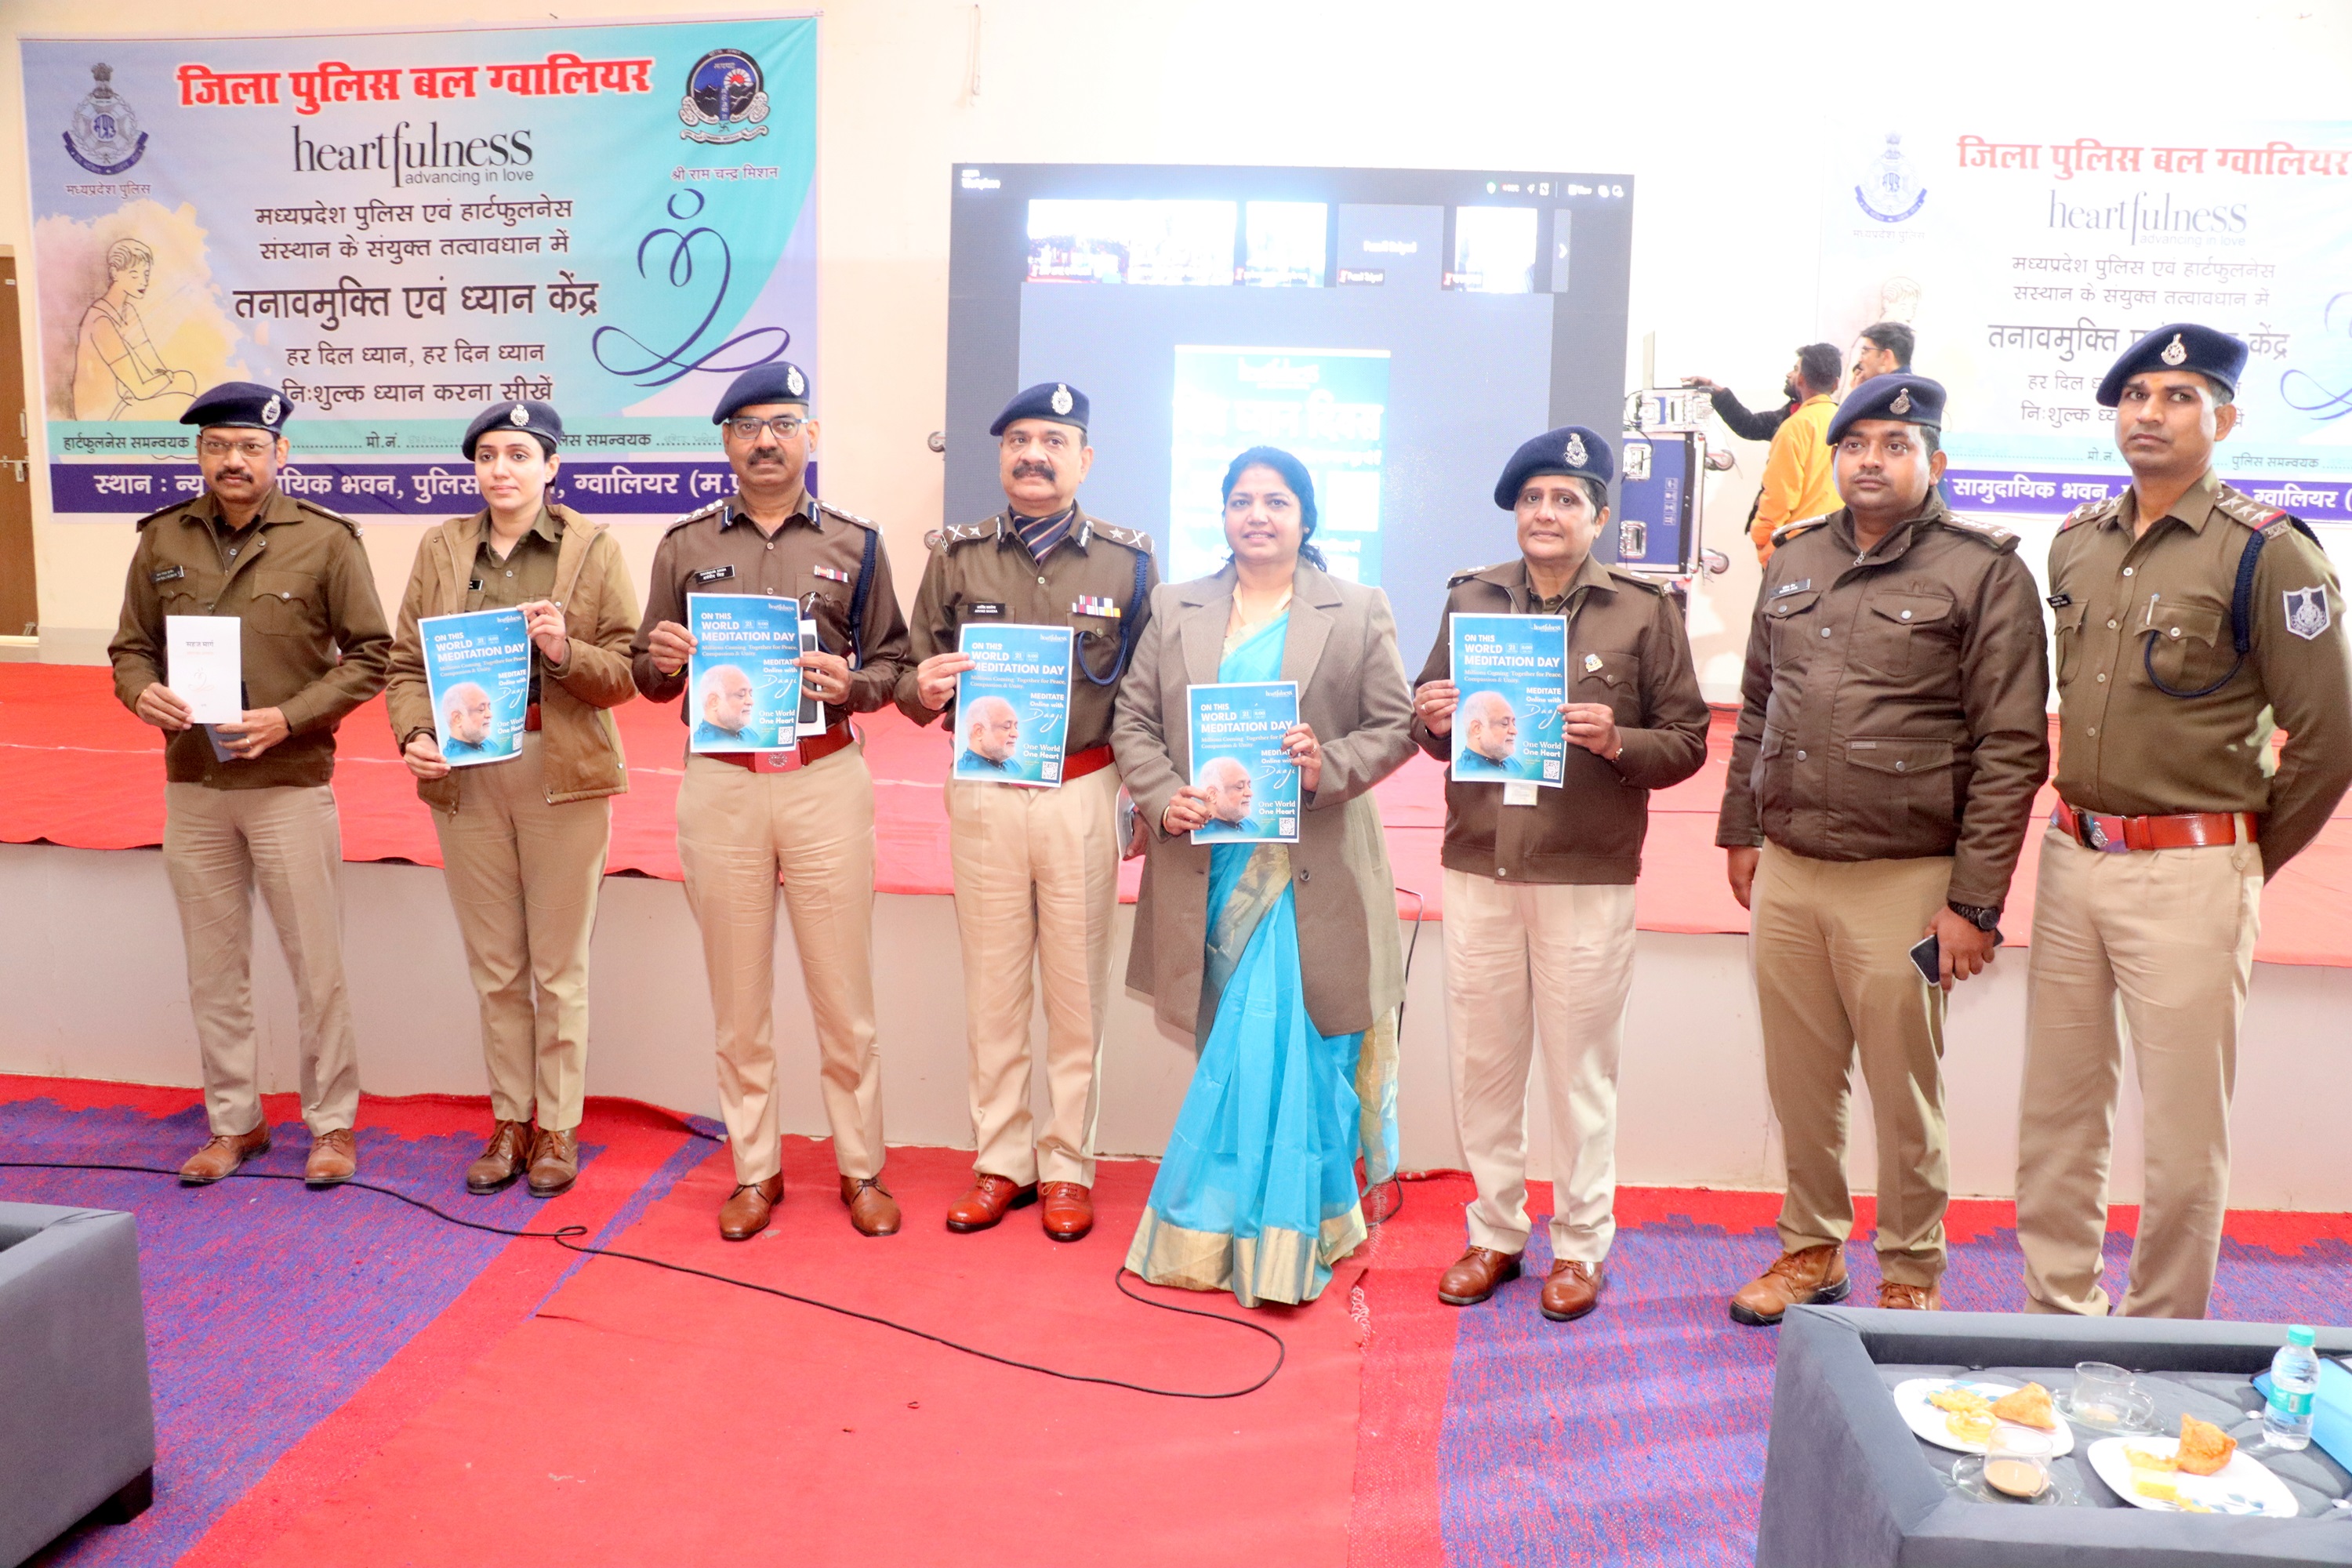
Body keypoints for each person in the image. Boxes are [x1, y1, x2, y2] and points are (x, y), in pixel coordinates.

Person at [2016, 325, 2352, 1319]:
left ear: (2225, 419)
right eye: (2135, 396)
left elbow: (2331, 735)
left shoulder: (2269, 551)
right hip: (2074, 857)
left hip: (2194, 872)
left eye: (2177, 396)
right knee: (2057, 1112)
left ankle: (2160, 1338)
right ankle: (2053, 1315)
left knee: (2180, 1131)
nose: (2150, 414)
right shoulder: (2077, 540)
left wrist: (2239, 857)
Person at [1716, 375, 2049, 1323]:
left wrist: (1974, 901)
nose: (1871, 460)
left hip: (1905, 877)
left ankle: (1910, 1268)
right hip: (1790, 867)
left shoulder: (1983, 571)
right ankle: (1810, 1248)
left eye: (1895, 445)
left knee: (1905, 1090)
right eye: (1856, 443)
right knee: (1800, 1077)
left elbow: (2012, 748)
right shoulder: (1793, 557)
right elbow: (1758, 705)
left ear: (1934, 461)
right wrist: (1740, 826)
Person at [1411, 426, 1709, 1321]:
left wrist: (1619, 740)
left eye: (1567, 500)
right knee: (1485, 1063)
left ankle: (1580, 1245)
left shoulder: (1643, 612)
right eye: (1534, 498)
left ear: (1600, 517)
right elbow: (1431, 727)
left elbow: (1688, 741)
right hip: (1481, 866)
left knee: (1580, 1073)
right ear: (1517, 511)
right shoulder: (1471, 598)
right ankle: (1495, 1232)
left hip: (1584, 874)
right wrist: (1433, 719)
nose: (1547, 512)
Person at [1112, 445, 1415, 1306]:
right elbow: (1134, 719)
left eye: (1276, 501)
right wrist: (1166, 796)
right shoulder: (1176, 606)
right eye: (1241, 500)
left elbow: (1394, 725)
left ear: (1305, 517)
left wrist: (1325, 765)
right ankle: (1216, 1228)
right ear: (1222, 515)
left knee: (1296, 1044)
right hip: (1210, 866)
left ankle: (1296, 1228)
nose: (1257, 515)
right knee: (1235, 1050)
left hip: (1309, 870)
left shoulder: (1356, 608)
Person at [633, 361, 913, 1241]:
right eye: (748, 426)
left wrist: (854, 684)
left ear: (810, 437)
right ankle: (755, 1170)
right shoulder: (682, 545)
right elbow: (646, 671)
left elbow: (894, 661)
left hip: (824, 778)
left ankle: (861, 1166)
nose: (766, 441)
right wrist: (662, 663)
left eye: (784, 424)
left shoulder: (858, 544)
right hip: (722, 785)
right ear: (726, 441)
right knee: (738, 997)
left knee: (844, 996)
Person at [107, 382, 392, 1187]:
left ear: (280, 453)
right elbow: (131, 648)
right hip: (194, 783)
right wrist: (141, 692)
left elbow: (373, 653)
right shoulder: (162, 537)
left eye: (249, 447)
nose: (233, 460)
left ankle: (331, 1124)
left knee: (317, 967)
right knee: (214, 968)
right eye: (217, 446)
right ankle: (234, 1123)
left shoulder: (326, 540)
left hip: (288, 782)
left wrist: (289, 718)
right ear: (200, 453)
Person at [898, 382, 1158, 1242]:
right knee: (994, 987)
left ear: (1085, 458)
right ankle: (1002, 1161)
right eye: (1018, 441)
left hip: (1083, 790)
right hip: (984, 793)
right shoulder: (957, 557)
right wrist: (923, 687)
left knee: (1077, 995)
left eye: (1053, 440)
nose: (1033, 455)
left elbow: (1148, 692)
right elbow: (910, 674)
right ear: (1001, 455)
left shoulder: (1128, 563)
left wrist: (1142, 792)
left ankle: (1068, 1167)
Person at [385, 400, 641, 1200]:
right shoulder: (441, 547)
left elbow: (626, 672)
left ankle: (557, 1125)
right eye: (488, 454)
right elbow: (404, 665)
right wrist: (413, 732)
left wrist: (564, 650)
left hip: (558, 767)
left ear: (551, 466)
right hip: (465, 773)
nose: (502, 469)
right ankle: (509, 1120)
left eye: (520, 454)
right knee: (496, 966)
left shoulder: (592, 548)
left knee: (559, 968)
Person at [1748, 343, 1845, 561]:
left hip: (1797, 547)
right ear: (1836, 383)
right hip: (1840, 543)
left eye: (1796, 369)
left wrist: (1761, 537)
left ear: (1801, 379)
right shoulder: (1847, 423)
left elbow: (1780, 496)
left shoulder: (1796, 427)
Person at [1454, 691, 1519, 773]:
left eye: (1514, 724)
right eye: (1504, 723)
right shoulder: (1464, 773)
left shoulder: (1513, 764)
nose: (1515, 731)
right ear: (1477, 728)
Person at [694, 666, 756, 744]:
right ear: (714, 702)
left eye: (751, 695)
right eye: (741, 694)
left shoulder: (749, 734)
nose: (751, 702)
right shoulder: (703, 745)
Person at [960, 695, 1022, 773]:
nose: (1016, 734)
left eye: (1016, 727)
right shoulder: (965, 773)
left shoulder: (1012, 765)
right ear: (979, 731)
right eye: (1006, 726)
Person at [1848, 321, 1915, 389]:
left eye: (1865, 351)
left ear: (1886, 357)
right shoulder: (1912, 388)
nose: (1860, 360)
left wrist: (1860, 392)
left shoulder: (1889, 393)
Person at [441, 682, 495, 757]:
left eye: (489, 708)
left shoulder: (487, 743)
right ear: (458, 718)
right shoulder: (454, 758)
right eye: (481, 709)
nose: (490, 715)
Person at [1199, 755, 1255, 826]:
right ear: (1212, 794)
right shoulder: (1200, 831)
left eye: (1249, 786)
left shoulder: (1251, 825)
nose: (1250, 793)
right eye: (1240, 786)